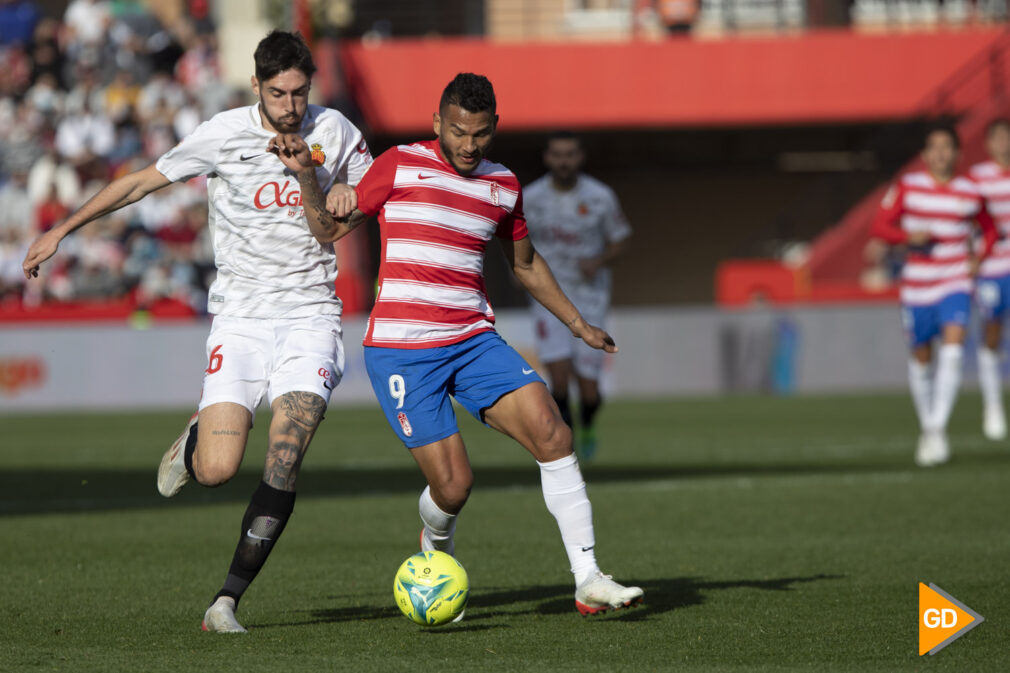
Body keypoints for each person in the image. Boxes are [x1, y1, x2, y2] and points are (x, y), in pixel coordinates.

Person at [22, 30, 372, 632]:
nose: (292, 105)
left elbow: (345, 218)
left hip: (311, 313)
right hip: (239, 319)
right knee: (216, 469)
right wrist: (64, 231)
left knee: (286, 456)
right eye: (279, 93)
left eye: (300, 92)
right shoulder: (222, 133)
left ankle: (225, 600)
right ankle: (193, 443)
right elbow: (139, 183)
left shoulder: (336, 132)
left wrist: (350, 190)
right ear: (258, 86)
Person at [272, 72, 643, 616]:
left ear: (495, 128)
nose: (469, 146)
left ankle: (587, 578)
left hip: (472, 339)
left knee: (552, 430)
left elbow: (525, 264)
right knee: (454, 488)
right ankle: (436, 551)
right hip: (401, 350)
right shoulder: (398, 164)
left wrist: (577, 324)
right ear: (437, 123)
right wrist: (309, 177)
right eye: (459, 132)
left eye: (481, 134)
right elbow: (328, 230)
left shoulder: (504, 185)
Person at [871, 124, 995, 467]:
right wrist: (907, 237)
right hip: (918, 284)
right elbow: (880, 227)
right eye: (933, 148)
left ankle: (937, 429)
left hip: (954, 280)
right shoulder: (908, 187)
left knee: (953, 350)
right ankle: (928, 426)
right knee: (922, 358)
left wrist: (978, 260)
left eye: (946, 147)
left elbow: (990, 228)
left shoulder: (971, 191)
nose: (940, 154)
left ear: (957, 153)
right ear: (924, 155)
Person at [523, 131, 631, 459]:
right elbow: (510, 238)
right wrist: (519, 270)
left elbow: (620, 238)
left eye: (570, 154)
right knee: (557, 382)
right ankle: (565, 447)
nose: (563, 161)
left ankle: (587, 423)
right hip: (549, 297)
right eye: (557, 154)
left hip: (590, 298)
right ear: (547, 158)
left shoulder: (601, 197)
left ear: (580, 158)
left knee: (589, 392)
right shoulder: (530, 197)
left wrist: (598, 260)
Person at [969, 118, 1010, 441]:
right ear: (988, 143)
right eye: (997, 138)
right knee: (992, 335)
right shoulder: (977, 179)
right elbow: (965, 219)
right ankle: (993, 405)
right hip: (992, 270)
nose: (1003, 143)